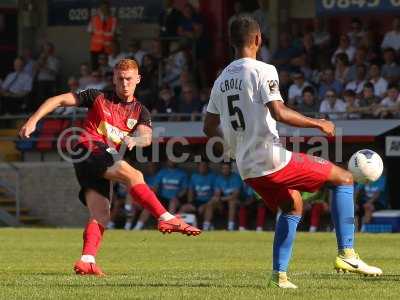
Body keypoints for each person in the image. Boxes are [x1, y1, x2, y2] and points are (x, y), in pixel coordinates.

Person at [203, 16, 382, 289]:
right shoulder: (263, 70)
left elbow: (208, 127)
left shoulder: (221, 78)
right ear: (258, 39)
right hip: (271, 158)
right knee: (344, 178)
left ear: (231, 42)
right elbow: (279, 111)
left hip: (247, 168)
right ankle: (348, 254)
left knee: (293, 205)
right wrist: (318, 123)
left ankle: (279, 277)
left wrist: (231, 141)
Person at [19, 58, 201, 276]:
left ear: (138, 79)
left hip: (101, 159)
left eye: (129, 79)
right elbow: (57, 100)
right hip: (88, 148)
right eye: (120, 79)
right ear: (114, 79)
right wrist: (33, 120)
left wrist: (135, 141)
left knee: (101, 214)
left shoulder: (141, 111)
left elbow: (146, 137)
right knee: (134, 174)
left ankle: (87, 260)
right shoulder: (97, 97)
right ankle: (167, 218)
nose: (125, 84)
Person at [179, 161, 217, 231]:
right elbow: (191, 192)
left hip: (209, 201)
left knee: (209, 207)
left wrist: (205, 205)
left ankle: (206, 228)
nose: (203, 168)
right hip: (197, 201)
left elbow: (216, 195)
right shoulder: (194, 176)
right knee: (184, 208)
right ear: (198, 167)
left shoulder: (213, 177)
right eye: (201, 166)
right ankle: (179, 227)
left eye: (204, 166)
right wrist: (191, 203)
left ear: (207, 167)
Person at [88, 0, 117, 70]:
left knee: (108, 68)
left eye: (106, 8)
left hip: (108, 49)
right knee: (95, 68)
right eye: (103, 8)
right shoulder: (94, 19)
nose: (104, 9)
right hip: (95, 48)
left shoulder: (113, 20)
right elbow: (90, 32)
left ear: (109, 8)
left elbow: (115, 34)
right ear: (100, 8)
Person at [213, 162, 242, 231]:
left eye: (227, 168)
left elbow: (235, 195)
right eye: (223, 168)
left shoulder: (236, 177)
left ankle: (230, 226)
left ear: (230, 169)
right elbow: (217, 194)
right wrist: (218, 199)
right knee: (211, 202)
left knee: (232, 202)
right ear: (221, 170)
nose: (225, 170)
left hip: (238, 201)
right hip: (224, 201)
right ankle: (207, 225)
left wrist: (221, 199)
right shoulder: (218, 178)